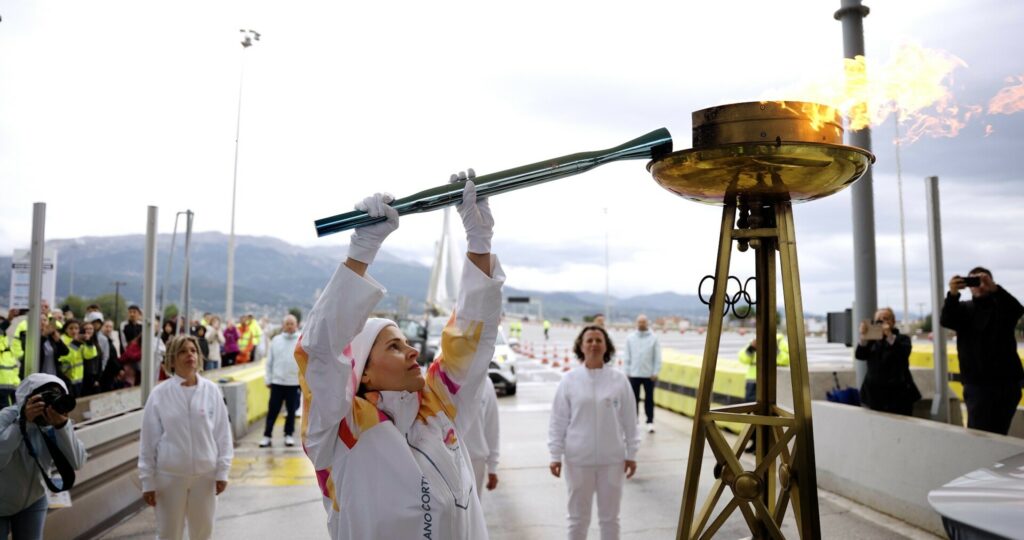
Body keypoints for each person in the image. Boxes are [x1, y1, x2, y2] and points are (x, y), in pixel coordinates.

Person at [297, 176, 502, 539]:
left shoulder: (437, 408)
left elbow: (470, 338)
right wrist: (361, 253)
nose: (411, 351)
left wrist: (479, 241)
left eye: (405, 342)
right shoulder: (339, 431)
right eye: (393, 346)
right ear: (363, 373)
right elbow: (321, 352)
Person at [548, 325, 640, 540]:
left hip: (612, 460)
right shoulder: (569, 380)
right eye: (589, 340)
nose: (594, 344)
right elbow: (558, 421)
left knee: (610, 519)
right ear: (581, 346)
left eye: (599, 340)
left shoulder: (619, 380)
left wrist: (631, 454)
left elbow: (630, 421)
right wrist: (555, 455)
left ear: (606, 346)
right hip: (578, 460)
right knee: (577, 518)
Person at [138, 335, 233, 540]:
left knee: (202, 532)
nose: (189, 355)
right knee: (169, 533)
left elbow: (223, 434)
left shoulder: (211, 391)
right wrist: (148, 481)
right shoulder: (159, 394)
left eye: (193, 350)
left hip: (206, 476)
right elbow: (148, 441)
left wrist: (222, 471)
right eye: (182, 351)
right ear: (171, 360)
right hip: (170, 477)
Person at [0, 374, 88, 539]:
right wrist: (22, 423)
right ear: (27, 399)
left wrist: (62, 427)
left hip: (34, 499)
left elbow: (77, 462)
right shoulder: (6, 417)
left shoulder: (55, 423)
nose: (49, 406)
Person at [941, 268, 1024, 435]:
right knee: (978, 432)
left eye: (980, 281)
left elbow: (1017, 310)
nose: (977, 285)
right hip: (976, 383)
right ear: (968, 286)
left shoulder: (1002, 307)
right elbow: (947, 320)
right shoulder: (964, 309)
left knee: (1000, 432)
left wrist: (994, 289)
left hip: (1007, 383)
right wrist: (953, 294)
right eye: (972, 281)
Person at [855, 307, 919, 416]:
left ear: (893, 322)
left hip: (899, 395)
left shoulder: (902, 339)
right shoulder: (871, 341)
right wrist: (863, 337)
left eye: (886, 318)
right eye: (878, 320)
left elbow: (902, 355)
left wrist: (888, 334)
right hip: (874, 395)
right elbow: (860, 355)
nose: (882, 322)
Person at [261, 314, 301, 448]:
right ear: (283, 325)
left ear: (297, 325)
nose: (290, 326)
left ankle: (288, 434)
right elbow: (269, 362)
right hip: (277, 382)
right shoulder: (276, 341)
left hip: (294, 382)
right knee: (273, 410)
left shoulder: (301, 340)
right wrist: (268, 379)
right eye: (287, 323)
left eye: (292, 323)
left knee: (291, 411)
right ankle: (267, 435)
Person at [623, 314, 662, 433]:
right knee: (633, 399)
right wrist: (627, 371)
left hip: (649, 375)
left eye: (643, 322)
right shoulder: (630, 338)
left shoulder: (654, 338)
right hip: (634, 374)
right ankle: (634, 421)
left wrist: (655, 372)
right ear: (636, 323)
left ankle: (650, 422)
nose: (641, 324)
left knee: (649, 399)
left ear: (647, 323)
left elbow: (657, 357)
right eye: (639, 322)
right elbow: (627, 356)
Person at [463, 377, 500, 500]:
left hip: (475, 461)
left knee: (473, 512)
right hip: (444, 460)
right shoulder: (438, 375)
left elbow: (492, 426)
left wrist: (492, 466)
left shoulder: (486, 383)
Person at [0, 311, 19, 408]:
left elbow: (12, 368)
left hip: (9, 388)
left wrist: (16, 386)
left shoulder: (5, 343)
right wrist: (8, 320)